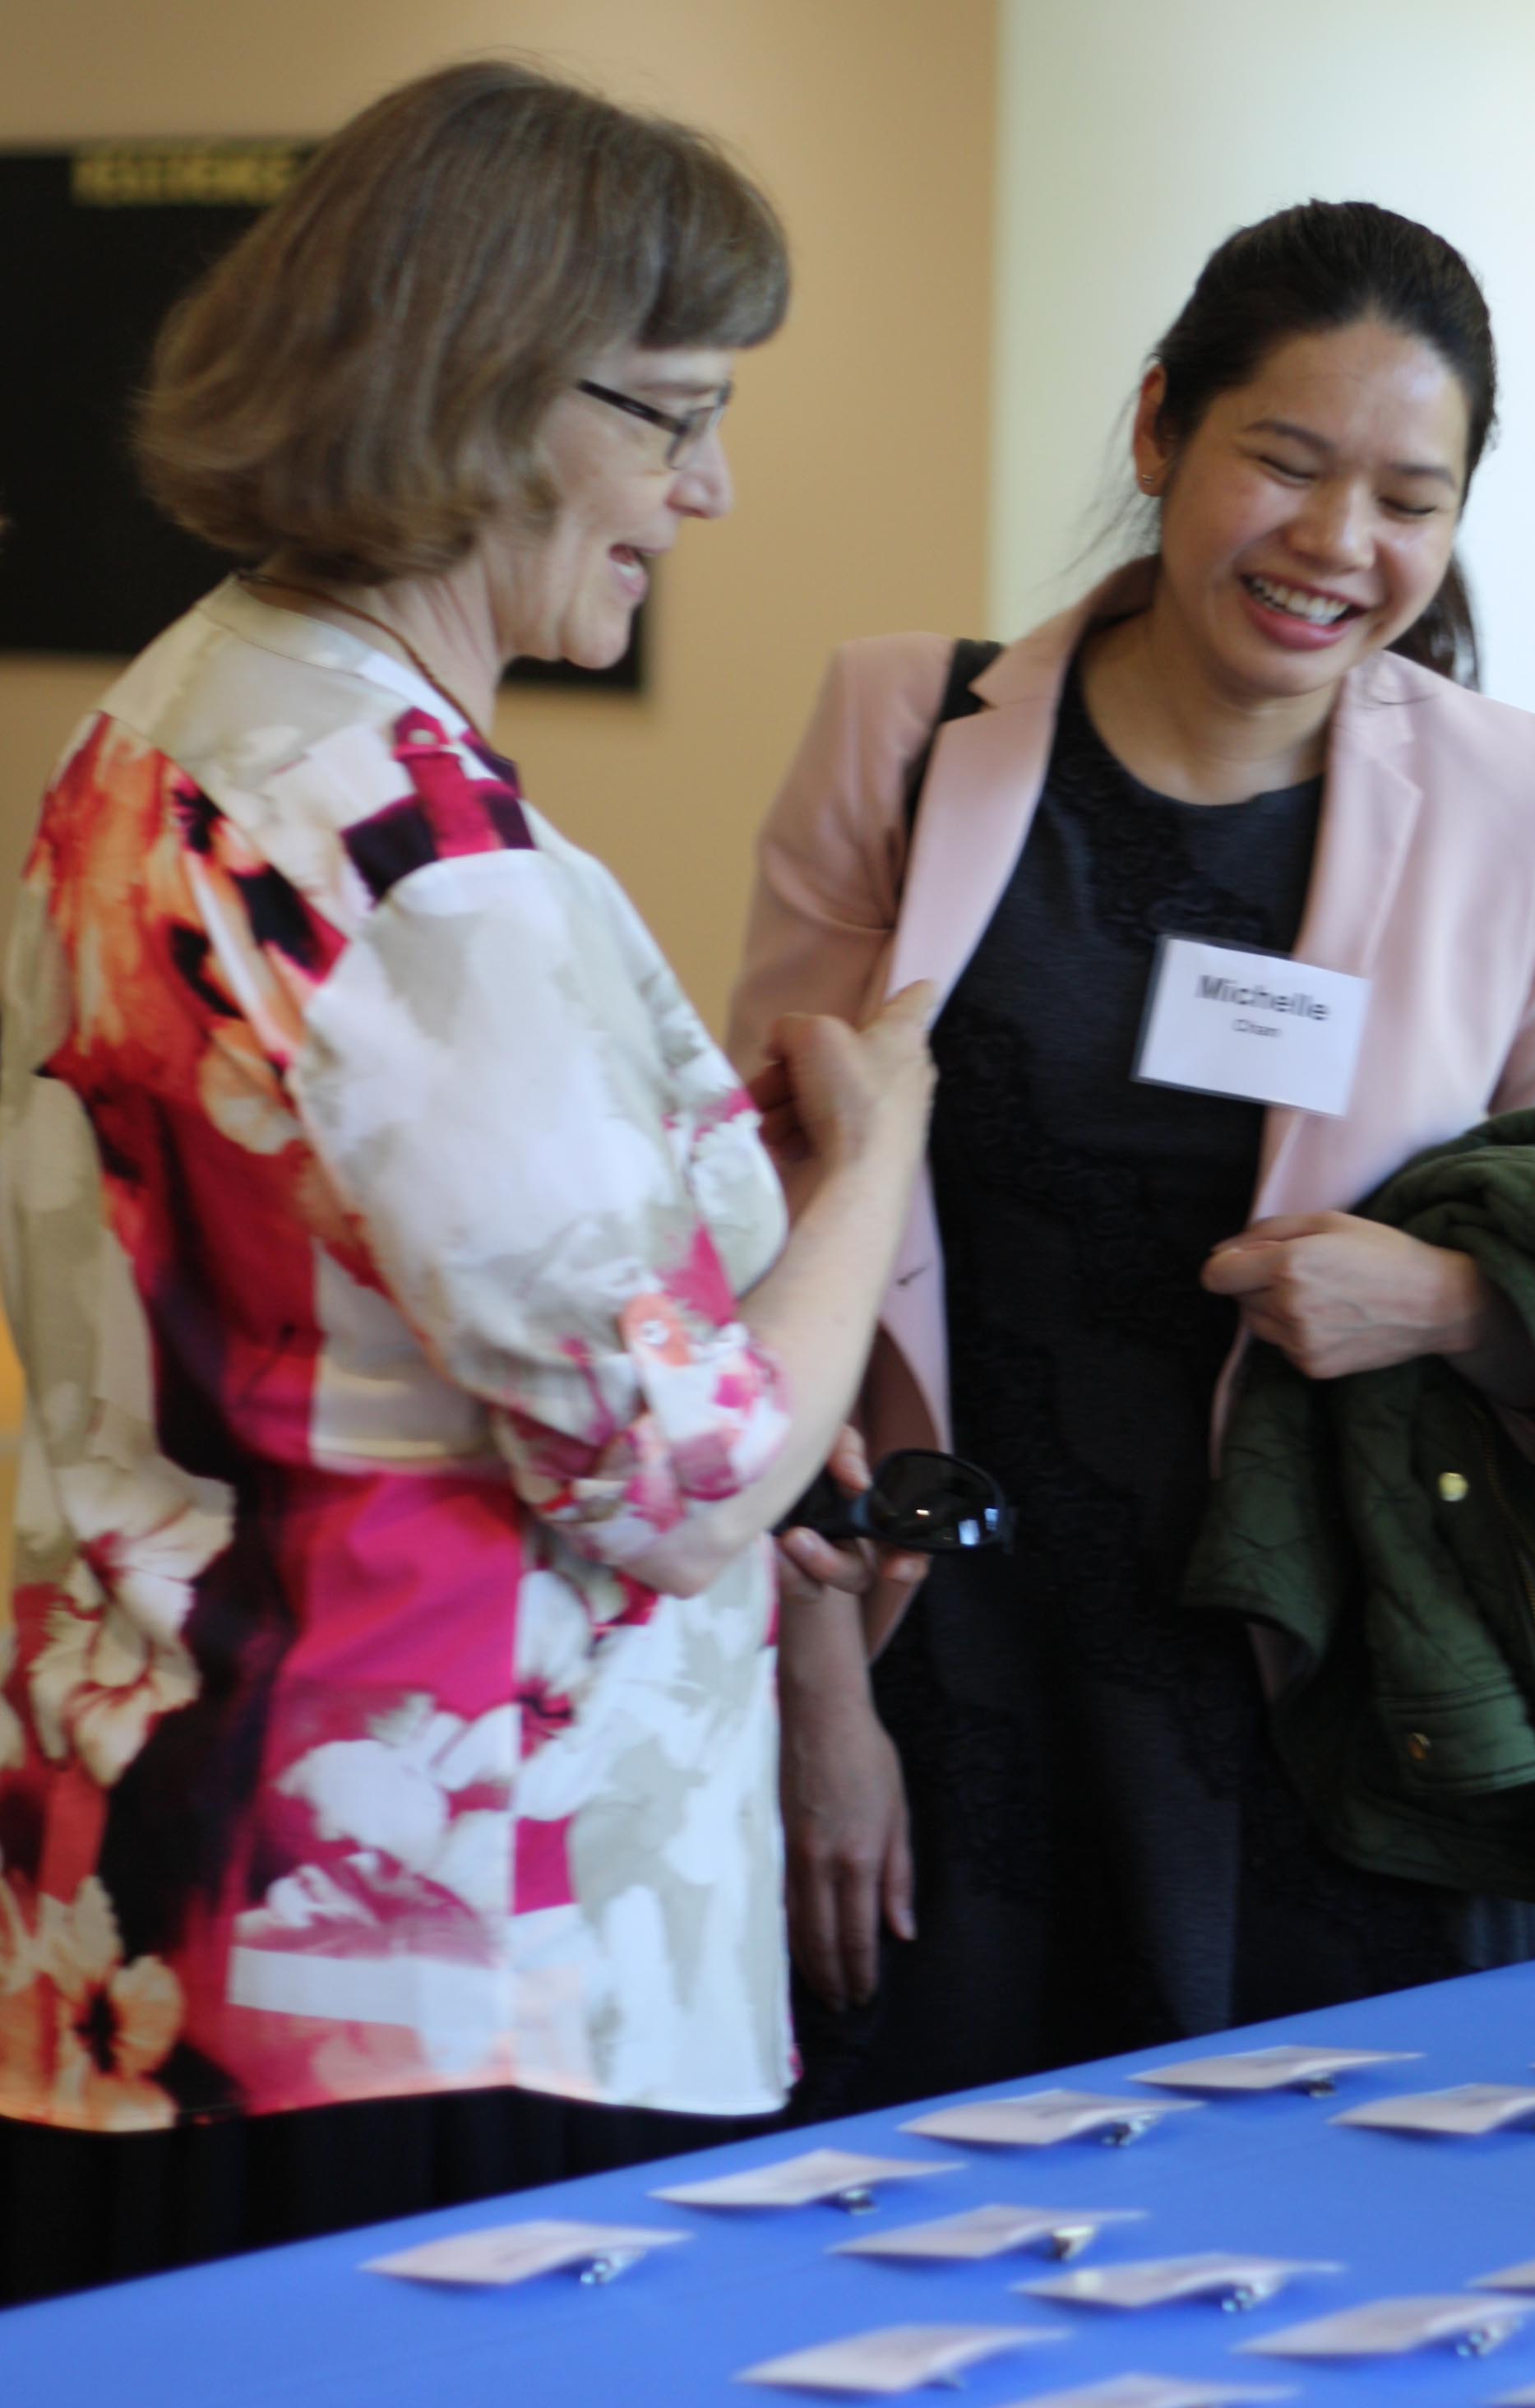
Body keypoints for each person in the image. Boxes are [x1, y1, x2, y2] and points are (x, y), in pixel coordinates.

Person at [0, 60, 932, 2303]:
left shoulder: (166, 724)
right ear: (493, 393)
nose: (708, 492)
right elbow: (682, 1468)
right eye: (678, 415)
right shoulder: (422, 863)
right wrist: (866, 1172)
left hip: (173, 1886)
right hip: (430, 1963)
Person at [729, 200, 1535, 2117]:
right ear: (1162, 431)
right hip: (957, 1655)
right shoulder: (907, 730)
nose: (1340, 546)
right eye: (1286, 462)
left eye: (1412, 495)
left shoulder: (1525, 807)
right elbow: (757, 1237)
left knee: (1350, 2255)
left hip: (1344, 1683)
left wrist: (1454, 1301)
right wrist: (811, 1695)